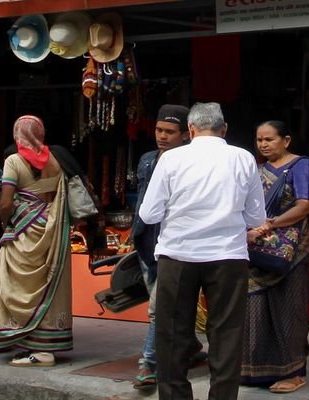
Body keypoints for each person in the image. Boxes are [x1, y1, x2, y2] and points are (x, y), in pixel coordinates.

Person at [138, 102, 266, 400]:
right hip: (228, 257)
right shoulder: (243, 158)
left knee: (171, 333)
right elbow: (256, 218)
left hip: (178, 255)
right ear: (224, 129)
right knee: (226, 333)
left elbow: (149, 214)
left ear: (191, 130)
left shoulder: (171, 159)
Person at [0, 115, 74, 366]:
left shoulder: (13, 161)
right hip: (51, 228)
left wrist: (4, 224)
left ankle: (36, 349)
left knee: (10, 283)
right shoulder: (56, 160)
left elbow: (5, 202)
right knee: (50, 283)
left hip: (24, 232)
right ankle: (45, 344)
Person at [242, 120, 309, 393]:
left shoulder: (300, 165)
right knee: (255, 309)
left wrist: (270, 225)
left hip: (290, 250)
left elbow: (304, 205)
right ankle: (255, 371)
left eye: (269, 139)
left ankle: (294, 373)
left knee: (289, 309)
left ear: (286, 140)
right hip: (256, 246)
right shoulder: (256, 169)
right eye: (259, 139)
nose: (263, 144)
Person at [130, 104, 190, 389]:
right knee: (166, 303)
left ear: (186, 134)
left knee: (159, 307)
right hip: (146, 240)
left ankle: (148, 364)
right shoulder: (147, 160)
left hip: (173, 243)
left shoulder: (188, 162)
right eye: (158, 130)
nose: (162, 136)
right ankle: (189, 347)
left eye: (170, 132)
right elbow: (142, 200)